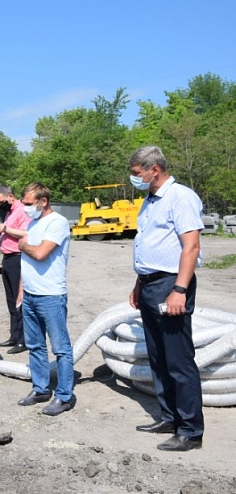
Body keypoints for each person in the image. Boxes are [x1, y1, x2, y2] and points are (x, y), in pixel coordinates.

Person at [128, 146, 204, 452]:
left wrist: (180, 290)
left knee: (178, 359)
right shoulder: (150, 200)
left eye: (136, 174)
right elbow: (149, 245)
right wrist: (138, 284)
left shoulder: (180, 197)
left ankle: (190, 430)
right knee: (158, 357)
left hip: (170, 285)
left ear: (153, 170)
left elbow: (192, 247)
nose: (134, 179)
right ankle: (169, 416)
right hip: (149, 285)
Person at [16, 182, 75, 416]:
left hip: (50, 295)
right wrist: (22, 289)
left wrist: (22, 245)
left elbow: (40, 253)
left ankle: (64, 396)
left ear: (43, 201)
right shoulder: (34, 223)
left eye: (29, 204)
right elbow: (28, 263)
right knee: (35, 345)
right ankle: (40, 388)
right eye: (23, 203)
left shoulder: (57, 223)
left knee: (61, 348)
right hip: (31, 294)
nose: (26, 208)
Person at [0, 184, 30, 354]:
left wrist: (4, 228)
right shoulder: (10, 212)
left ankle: (23, 340)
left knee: (19, 300)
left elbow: (25, 233)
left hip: (18, 258)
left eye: (2, 202)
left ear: (10, 196)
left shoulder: (22, 210)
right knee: (10, 301)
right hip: (8, 259)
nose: (1, 205)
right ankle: (14, 336)